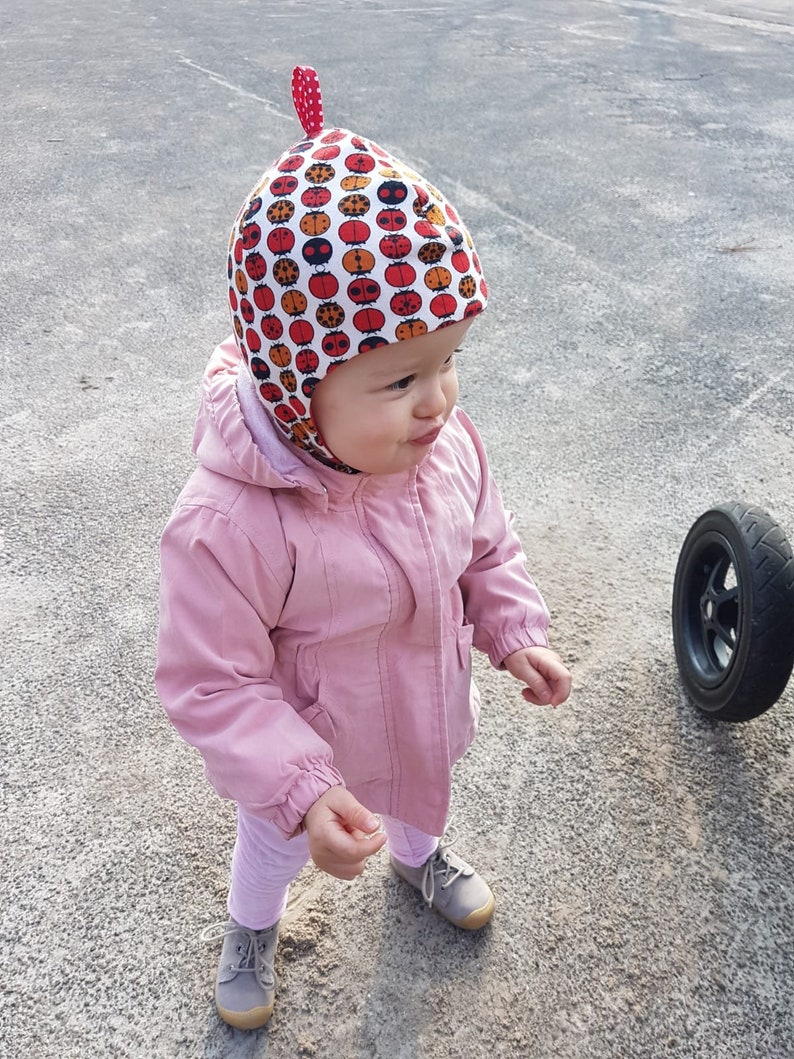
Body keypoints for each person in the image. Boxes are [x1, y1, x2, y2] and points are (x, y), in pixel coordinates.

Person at [156, 66, 572, 1031]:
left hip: (422, 701)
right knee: (272, 844)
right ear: (298, 389)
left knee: (424, 788)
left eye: (450, 360)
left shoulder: (444, 450)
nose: (438, 401)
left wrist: (512, 627)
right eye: (398, 380)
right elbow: (212, 680)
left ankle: (420, 856)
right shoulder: (230, 522)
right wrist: (300, 790)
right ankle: (251, 927)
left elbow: (485, 545)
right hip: (310, 744)